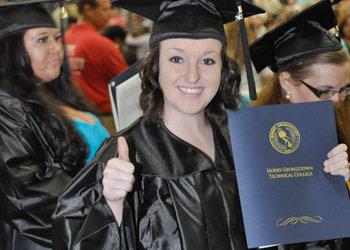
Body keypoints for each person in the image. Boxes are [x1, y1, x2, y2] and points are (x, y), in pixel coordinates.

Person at [52, 0, 265, 249]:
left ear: (223, 69)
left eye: (208, 61)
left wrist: (317, 179)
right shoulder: (125, 156)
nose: (193, 75)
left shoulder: (244, 141)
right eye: (177, 59)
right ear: (155, 66)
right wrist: (111, 207)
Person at [0, 1, 106, 249]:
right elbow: (30, 193)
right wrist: (105, 211)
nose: (56, 48)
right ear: (10, 47)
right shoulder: (6, 106)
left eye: (57, 38)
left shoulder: (48, 94)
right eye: (42, 40)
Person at [249, 0, 350, 249]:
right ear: (286, 82)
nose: (336, 101)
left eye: (344, 90)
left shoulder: (344, 118)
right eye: (324, 91)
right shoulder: (252, 139)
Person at [65, 0, 128, 134]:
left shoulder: (64, 39)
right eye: (105, 9)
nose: (110, 14)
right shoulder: (102, 44)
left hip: (74, 120)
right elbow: (127, 86)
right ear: (88, 10)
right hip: (104, 122)